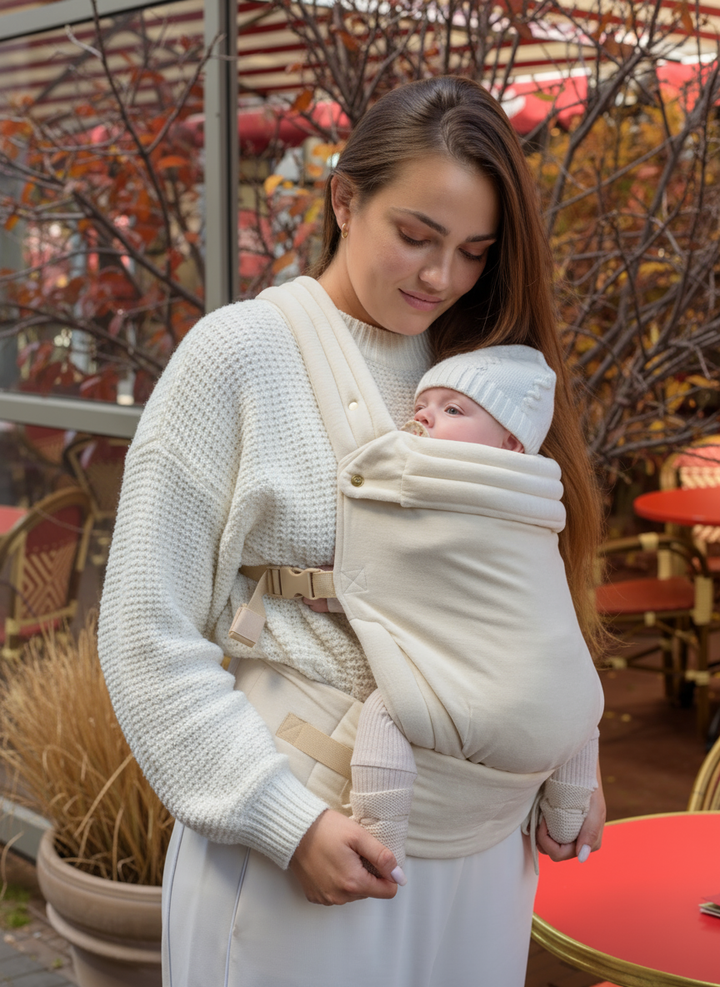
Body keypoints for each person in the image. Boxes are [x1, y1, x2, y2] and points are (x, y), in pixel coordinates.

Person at [98, 76, 606, 987]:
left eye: (474, 251)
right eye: (415, 236)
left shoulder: (486, 374)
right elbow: (146, 629)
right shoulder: (239, 355)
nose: (440, 275)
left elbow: (533, 598)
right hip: (302, 836)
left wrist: (567, 751)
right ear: (343, 198)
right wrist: (278, 819)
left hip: (484, 846)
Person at [310, 344, 600, 876]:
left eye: (453, 409)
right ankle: (565, 815)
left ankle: (380, 837)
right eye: (424, 404)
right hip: (568, 703)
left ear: (511, 443)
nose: (424, 415)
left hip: (506, 694)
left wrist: (337, 588)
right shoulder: (540, 499)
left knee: (393, 708)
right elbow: (438, 585)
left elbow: (402, 566)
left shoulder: (458, 491)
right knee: (576, 704)